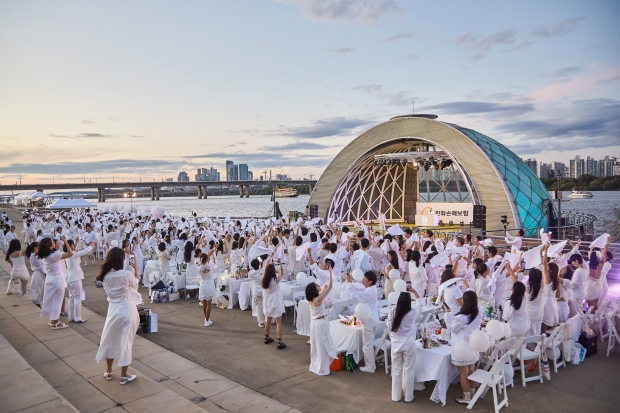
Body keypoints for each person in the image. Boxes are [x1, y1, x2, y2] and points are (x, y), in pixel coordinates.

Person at [95, 247, 140, 384]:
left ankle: (109, 371)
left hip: (113, 310)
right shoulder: (126, 274)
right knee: (126, 342)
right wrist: (135, 269)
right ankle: (124, 374)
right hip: (127, 309)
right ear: (121, 260)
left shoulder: (105, 276)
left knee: (110, 340)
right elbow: (135, 286)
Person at [446, 290, 482, 405]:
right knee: (471, 370)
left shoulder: (461, 317)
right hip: (473, 345)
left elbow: (452, 329)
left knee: (463, 374)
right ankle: (471, 393)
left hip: (461, 347)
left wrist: (447, 314)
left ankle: (466, 398)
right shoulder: (478, 313)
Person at [388, 291, 421, 403]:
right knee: (409, 370)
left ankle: (395, 396)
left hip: (396, 345)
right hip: (408, 345)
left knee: (396, 370)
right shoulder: (412, 313)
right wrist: (416, 294)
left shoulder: (392, 312)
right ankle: (408, 396)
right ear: (409, 303)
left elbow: (389, 325)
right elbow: (420, 306)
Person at [344, 270, 379, 373]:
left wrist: (349, 284)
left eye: (365, 279)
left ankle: (370, 366)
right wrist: (351, 282)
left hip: (368, 320)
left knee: (367, 345)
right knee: (368, 343)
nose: (363, 280)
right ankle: (370, 364)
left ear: (370, 281)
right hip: (371, 318)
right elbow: (360, 289)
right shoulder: (371, 288)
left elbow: (357, 295)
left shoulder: (369, 291)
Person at [38, 237, 73, 329]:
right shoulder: (54, 255)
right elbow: (70, 253)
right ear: (50, 245)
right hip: (57, 280)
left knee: (50, 300)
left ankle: (53, 319)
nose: (54, 242)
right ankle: (56, 322)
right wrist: (65, 241)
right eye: (53, 242)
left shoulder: (45, 255)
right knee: (57, 301)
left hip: (50, 279)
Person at [306, 268, 336, 375]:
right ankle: (322, 369)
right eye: (317, 286)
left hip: (314, 324)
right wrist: (331, 273)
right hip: (320, 324)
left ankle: (316, 365)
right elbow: (331, 287)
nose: (319, 286)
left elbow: (322, 292)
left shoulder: (312, 299)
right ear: (315, 290)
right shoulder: (318, 300)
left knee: (315, 346)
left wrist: (323, 288)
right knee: (322, 346)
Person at [64, 237, 97, 323]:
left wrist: (76, 241)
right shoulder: (73, 254)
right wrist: (92, 246)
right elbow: (84, 252)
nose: (74, 245)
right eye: (73, 244)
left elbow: (76, 250)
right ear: (70, 246)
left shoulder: (67, 254)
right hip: (75, 278)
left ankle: (71, 317)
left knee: (71, 298)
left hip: (70, 278)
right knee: (77, 298)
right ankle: (77, 317)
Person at [262, 246, 286, 349]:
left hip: (267, 301)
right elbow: (283, 275)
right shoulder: (275, 281)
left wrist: (270, 258)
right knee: (278, 322)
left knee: (268, 320)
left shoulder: (264, 279)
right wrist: (280, 265)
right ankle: (279, 341)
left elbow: (266, 268)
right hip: (275, 302)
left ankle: (266, 337)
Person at [585, 236, 611, 312]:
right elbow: (604, 253)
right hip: (598, 288)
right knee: (596, 307)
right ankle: (597, 320)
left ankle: (592, 322)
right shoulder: (600, 266)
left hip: (590, 289)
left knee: (591, 309)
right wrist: (607, 242)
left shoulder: (589, 269)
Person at [541, 244, 560, 333]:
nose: (546, 268)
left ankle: (544, 341)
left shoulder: (548, 279)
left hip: (547, 302)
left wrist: (545, 251)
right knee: (549, 322)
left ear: (551, 270)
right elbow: (558, 295)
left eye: (548, 268)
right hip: (552, 302)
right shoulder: (556, 279)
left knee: (545, 322)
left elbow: (544, 263)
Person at [198, 251, 216, 326]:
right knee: (209, 303)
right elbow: (213, 261)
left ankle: (206, 318)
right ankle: (207, 320)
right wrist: (212, 257)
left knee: (204, 303)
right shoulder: (210, 266)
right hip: (209, 284)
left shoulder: (199, 268)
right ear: (207, 260)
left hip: (203, 285)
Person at [26, 242, 46, 307]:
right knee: (38, 291)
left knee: (41, 291)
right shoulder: (33, 256)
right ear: (35, 248)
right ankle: (37, 306)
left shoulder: (37, 255)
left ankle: (39, 305)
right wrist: (46, 274)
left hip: (40, 274)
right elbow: (40, 267)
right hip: (38, 274)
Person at [249, 256, 267, 328]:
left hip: (256, 291)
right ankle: (267, 319)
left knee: (259, 307)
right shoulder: (262, 271)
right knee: (265, 306)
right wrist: (261, 262)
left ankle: (261, 322)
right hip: (263, 291)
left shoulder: (251, 273)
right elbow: (262, 267)